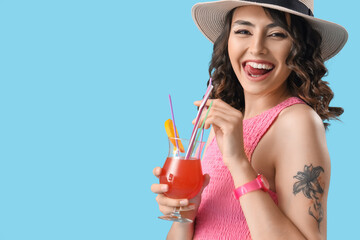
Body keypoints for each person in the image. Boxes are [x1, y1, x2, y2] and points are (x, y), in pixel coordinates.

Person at [151, 0, 348, 239]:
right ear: (227, 42)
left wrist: (238, 161)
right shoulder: (225, 123)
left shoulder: (297, 122)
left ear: (299, 47)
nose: (257, 48)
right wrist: (186, 215)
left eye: (277, 34)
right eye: (243, 31)